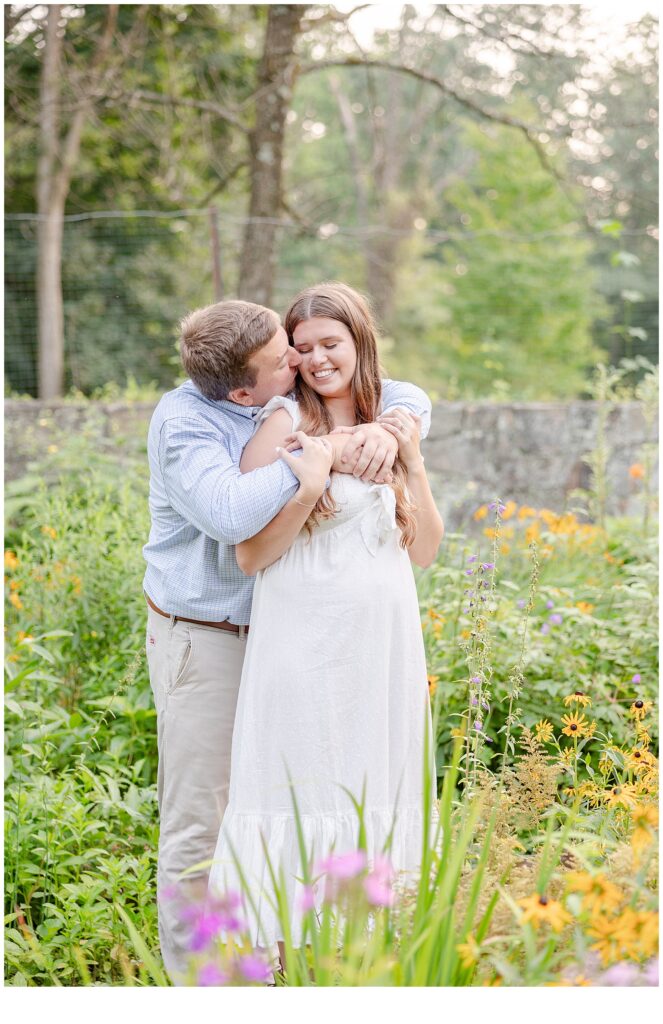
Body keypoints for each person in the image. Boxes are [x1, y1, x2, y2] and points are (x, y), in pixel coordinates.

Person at [142, 296, 433, 982]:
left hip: (301, 640)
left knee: (313, 799)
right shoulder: (189, 422)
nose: (301, 360)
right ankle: (205, 989)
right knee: (205, 823)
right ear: (246, 388)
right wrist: (327, 452)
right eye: (285, 357)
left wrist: (397, 429)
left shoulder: (291, 393)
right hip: (211, 637)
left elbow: (396, 390)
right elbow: (232, 514)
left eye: (296, 344)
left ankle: (304, 971)